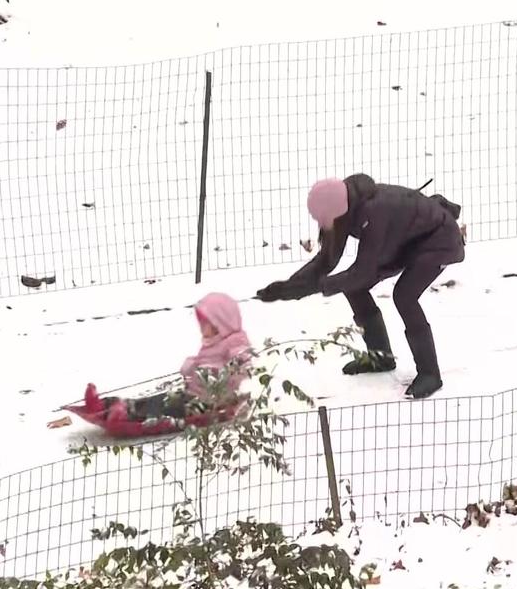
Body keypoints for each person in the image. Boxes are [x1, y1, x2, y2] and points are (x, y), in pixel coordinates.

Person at [255, 173, 465, 399]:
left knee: (404, 296)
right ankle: (380, 358)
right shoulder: (344, 208)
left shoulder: (375, 212)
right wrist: (289, 287)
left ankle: (430, 374)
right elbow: (326, 261)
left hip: (439, 240)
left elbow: (362, 272)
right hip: (403, 242)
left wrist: (314, 287)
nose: (321, 223)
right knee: (354, 287)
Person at [88, 292, 253, 421]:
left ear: (221, 322)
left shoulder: (235, 344)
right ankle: (111, 405)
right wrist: (192, 367)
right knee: (161, 399)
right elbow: (201, 367)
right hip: (192, 394)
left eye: (205, 324)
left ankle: (128, 417)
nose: (202, 328)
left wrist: (223, 370)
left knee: (167, 409)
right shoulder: (213, 342)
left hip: (210, 404)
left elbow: (243, 367)